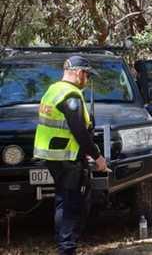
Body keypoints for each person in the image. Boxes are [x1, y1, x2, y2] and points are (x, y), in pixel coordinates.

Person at [33, 56, 108, 255]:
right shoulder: (71, 95)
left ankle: (64, 245)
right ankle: (66, 249)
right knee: (73, 205)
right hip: (68, 159)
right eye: (87, 73)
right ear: (77, 72)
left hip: (54, 157)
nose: (88, 78)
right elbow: (79, 131)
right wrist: (97, 156)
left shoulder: (53, 90)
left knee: (63, 200)